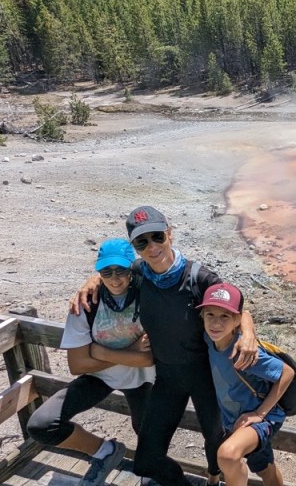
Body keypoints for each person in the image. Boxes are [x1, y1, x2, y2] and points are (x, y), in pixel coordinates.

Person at [71, 206, 259, 486]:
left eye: (157, 236)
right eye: (141, 242)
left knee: (215, 439)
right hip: (167, 377)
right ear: (135, 248)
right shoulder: (138, 273)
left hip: (206, 376)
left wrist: (249, 332)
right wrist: (93, 279)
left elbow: (236, 308)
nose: (152, 246)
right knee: (146, 460)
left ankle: (212, 478)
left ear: (170, 234)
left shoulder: (199, 278)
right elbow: (112, 275)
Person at [28, 238, 154, 486]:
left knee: (148, 430)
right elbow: (77, 366)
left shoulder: (149, 295)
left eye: (121, 270)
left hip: (143, 378)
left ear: (132, 269)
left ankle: (151, 472)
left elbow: (148, 358)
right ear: (98, 271)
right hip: (100, 377)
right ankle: (105, 452)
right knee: (42, 425)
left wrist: (98, 352)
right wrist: (129, 351)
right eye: (106, 271)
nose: (114, 278)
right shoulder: (86, 304)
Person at [198, 283, 293, 486]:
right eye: (210, 315)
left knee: (227, 455)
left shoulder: (244, 353)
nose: (216, 323)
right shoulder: (209, 338)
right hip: (237, 421)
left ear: (237, 320)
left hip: (261, 419)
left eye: (225, 316)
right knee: (264, 467)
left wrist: (260, 413)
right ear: (202, 316)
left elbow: (287, 373)